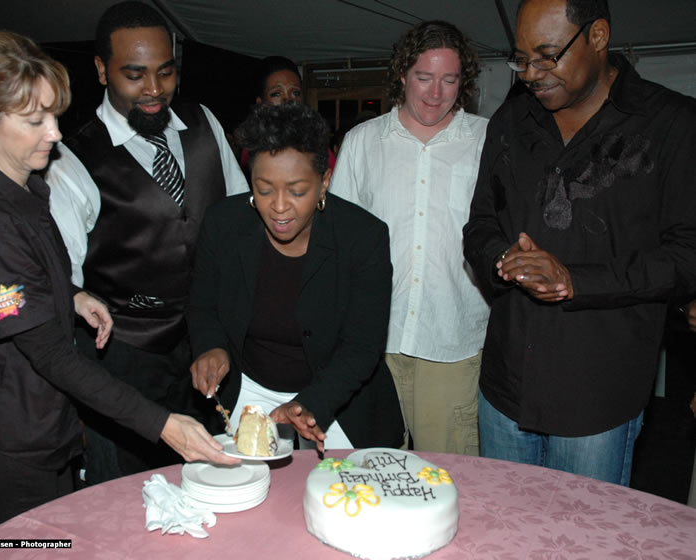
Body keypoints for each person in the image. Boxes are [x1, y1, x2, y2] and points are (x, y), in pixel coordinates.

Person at [0, 30, 238, 534]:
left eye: (54, 115)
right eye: (35, 121)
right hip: (4, 442)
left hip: (42, 429)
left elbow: (29, 277)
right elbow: (49, 355)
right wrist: (162, 424)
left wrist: (72, 295)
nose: (55, 134)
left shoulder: (21, 187)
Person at [462, 0, 696, 484]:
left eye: (548, 56)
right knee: (504, 527)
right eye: (522, 59)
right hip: (505, 388)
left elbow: (686, 256)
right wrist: (503, 258)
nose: (532, 74)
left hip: (597, 398)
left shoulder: (673, 124)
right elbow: (480, 223)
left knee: (583, 528)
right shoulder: (512, 118)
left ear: (598, 36)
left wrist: (575, 281)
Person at [46, 1, 248, 483]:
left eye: (166, 72)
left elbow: (240, 223)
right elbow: (62, 283)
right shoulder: (71, 159)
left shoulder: (204, 123)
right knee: (134, 494)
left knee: (221, 479)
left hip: (211, 348)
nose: (155, 89)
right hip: (125, 360)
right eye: (135, 75)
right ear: (102, 70)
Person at [187, 103, 405, 450]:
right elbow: (202, 305)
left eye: (297, 191)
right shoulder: (222, 224)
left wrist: (310, 403)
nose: (279, 206)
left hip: (337, 395)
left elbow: (362, 347)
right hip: (247, 388)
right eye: (264, 189)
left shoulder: (364, 238)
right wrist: (211, 346)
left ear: (324, 183)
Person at [332, 21, 489, 455]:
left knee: (449, 474)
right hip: (374, 341)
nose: (435, 93)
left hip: (452, 340)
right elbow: (338, 243)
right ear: (402, 74)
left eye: (449, 80)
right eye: (424, 77)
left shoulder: (486, 141)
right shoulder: (363, 142)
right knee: (374, 469)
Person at [240, 56, 337, 173]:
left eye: (295, 93)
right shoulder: (253, 148)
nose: (288, 100)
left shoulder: (315, 143)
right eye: (276, 94)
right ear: (261, 103)